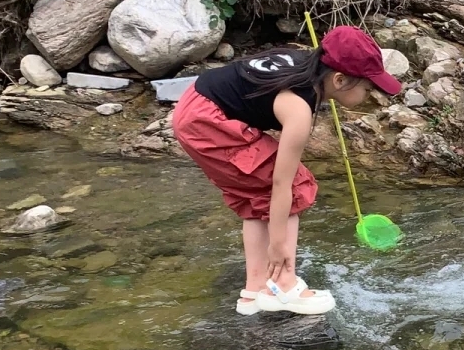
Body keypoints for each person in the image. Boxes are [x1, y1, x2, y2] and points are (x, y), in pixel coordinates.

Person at [172, 25, 401, 316]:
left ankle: (255, 290)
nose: (369, 96)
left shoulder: (306, 65)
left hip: (194, 106)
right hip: (207, 121)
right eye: (367, 89)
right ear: (340, 80)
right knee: (296, 186)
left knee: (255, 192)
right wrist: (278, 245)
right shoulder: (298, 108)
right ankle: (284, 284)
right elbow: (282, 182)